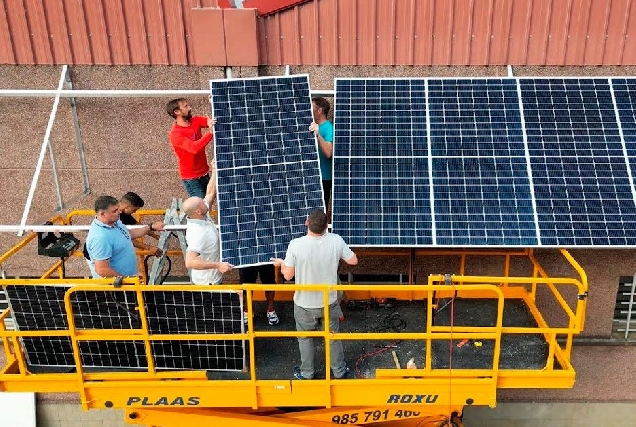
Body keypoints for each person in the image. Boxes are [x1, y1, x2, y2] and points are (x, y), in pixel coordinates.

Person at [271, 209, 358, 380]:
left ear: (306, 223)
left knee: (305, 339)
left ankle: (307, 373)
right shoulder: (336, 240)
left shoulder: (296, 244)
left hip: (304, 302)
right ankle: (339, 371)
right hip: (329, 301)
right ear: (327, 226)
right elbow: (353, 260)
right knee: (332, 338)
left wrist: (282, 264)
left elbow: (288, 275)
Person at [86, 196, 164, 278]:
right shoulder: (100, 237)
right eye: (115, 211)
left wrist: (150, 227)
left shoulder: (114, 222)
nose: (119, 212)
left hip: (127, 279)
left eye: (118, 208)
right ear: (103, 214)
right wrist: (127, 280)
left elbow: (128, 234)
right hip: (118, 286)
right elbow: (102, 270)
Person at [183, 180, 233, 285]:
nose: (204, 202)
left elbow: (210, 194)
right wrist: (218, 265)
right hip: (206, 283)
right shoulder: (197, 232)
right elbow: (190, 262)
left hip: (214, 279)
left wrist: (215, 169)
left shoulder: (203, 216)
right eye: (202, 203)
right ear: (198, 211)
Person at [167, 98, 217, 198]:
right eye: (185, 106)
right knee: (201, 207)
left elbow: (209, 121)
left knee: (210, 200)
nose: (190, 108)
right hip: (191, 178)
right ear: (176, 112)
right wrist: (210, 133)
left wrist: (214, 105)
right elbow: (194, 148)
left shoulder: (195, 121)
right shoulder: (176, 134)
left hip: (204, 172)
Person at [309, 97, 334, 210]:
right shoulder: (312, 126)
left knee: (318, 211)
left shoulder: (329, 128)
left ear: (319, 111)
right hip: (311, 176)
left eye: (311, 107)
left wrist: (318, 135)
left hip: (323, 178)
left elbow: (329, 152)